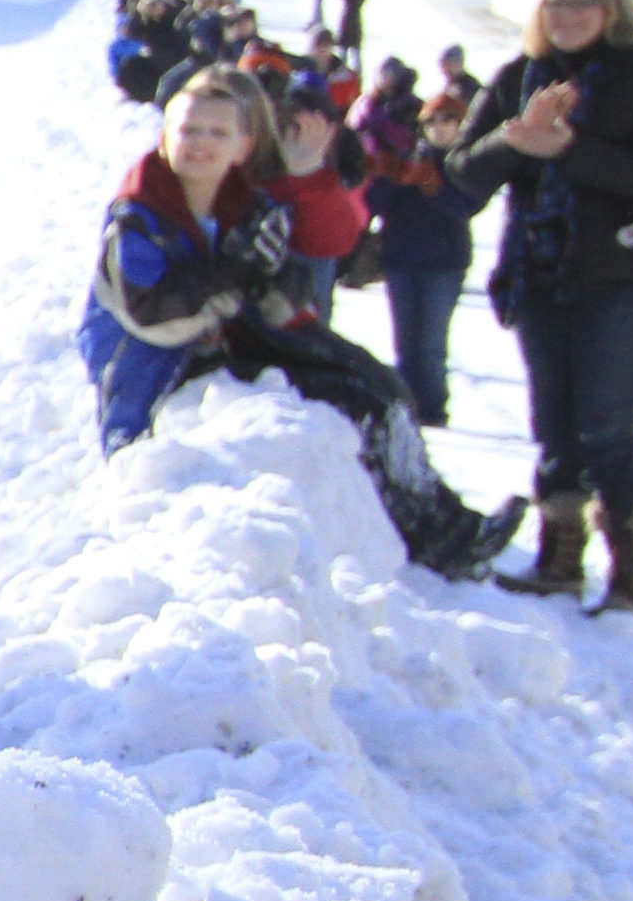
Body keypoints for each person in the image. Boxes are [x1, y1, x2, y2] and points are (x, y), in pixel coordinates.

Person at [78, 69, 521, 575]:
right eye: (190, 131)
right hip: (149, 365)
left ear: (245, 144)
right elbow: (152, 318)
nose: (202, 144)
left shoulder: (245, 202)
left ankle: (439, 527)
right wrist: (236, 272)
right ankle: (428, 531)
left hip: (227, 342)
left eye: (218, 133)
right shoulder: (139, 215)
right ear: (166, 135)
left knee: (378, 387)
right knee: (344, 399)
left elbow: (293, 283)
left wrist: (277, 272)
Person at [445, 0, 633, 613]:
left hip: (625, 276)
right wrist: (515, 139)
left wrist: (567, 150)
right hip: (539, 274)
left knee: (607, 424)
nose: (566, 14)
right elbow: (464, 175)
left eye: (582, 2)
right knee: (554, 426)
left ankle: (627, 576)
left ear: (610, 10)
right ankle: (558, 561)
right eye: (554, 3)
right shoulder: (514, 78)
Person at [354, 59, 489, 431]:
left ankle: (432, 408)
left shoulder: (467, 163)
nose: (440, 128)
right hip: (400, 257)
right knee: (404, 339)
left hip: (445, 262)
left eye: (448, 120)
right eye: (432, 122)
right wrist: (394, 178)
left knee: (430, 342)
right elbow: (376, 204)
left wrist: (433, 186)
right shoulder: (407, 158)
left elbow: (468, 207)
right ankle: (406, 403)